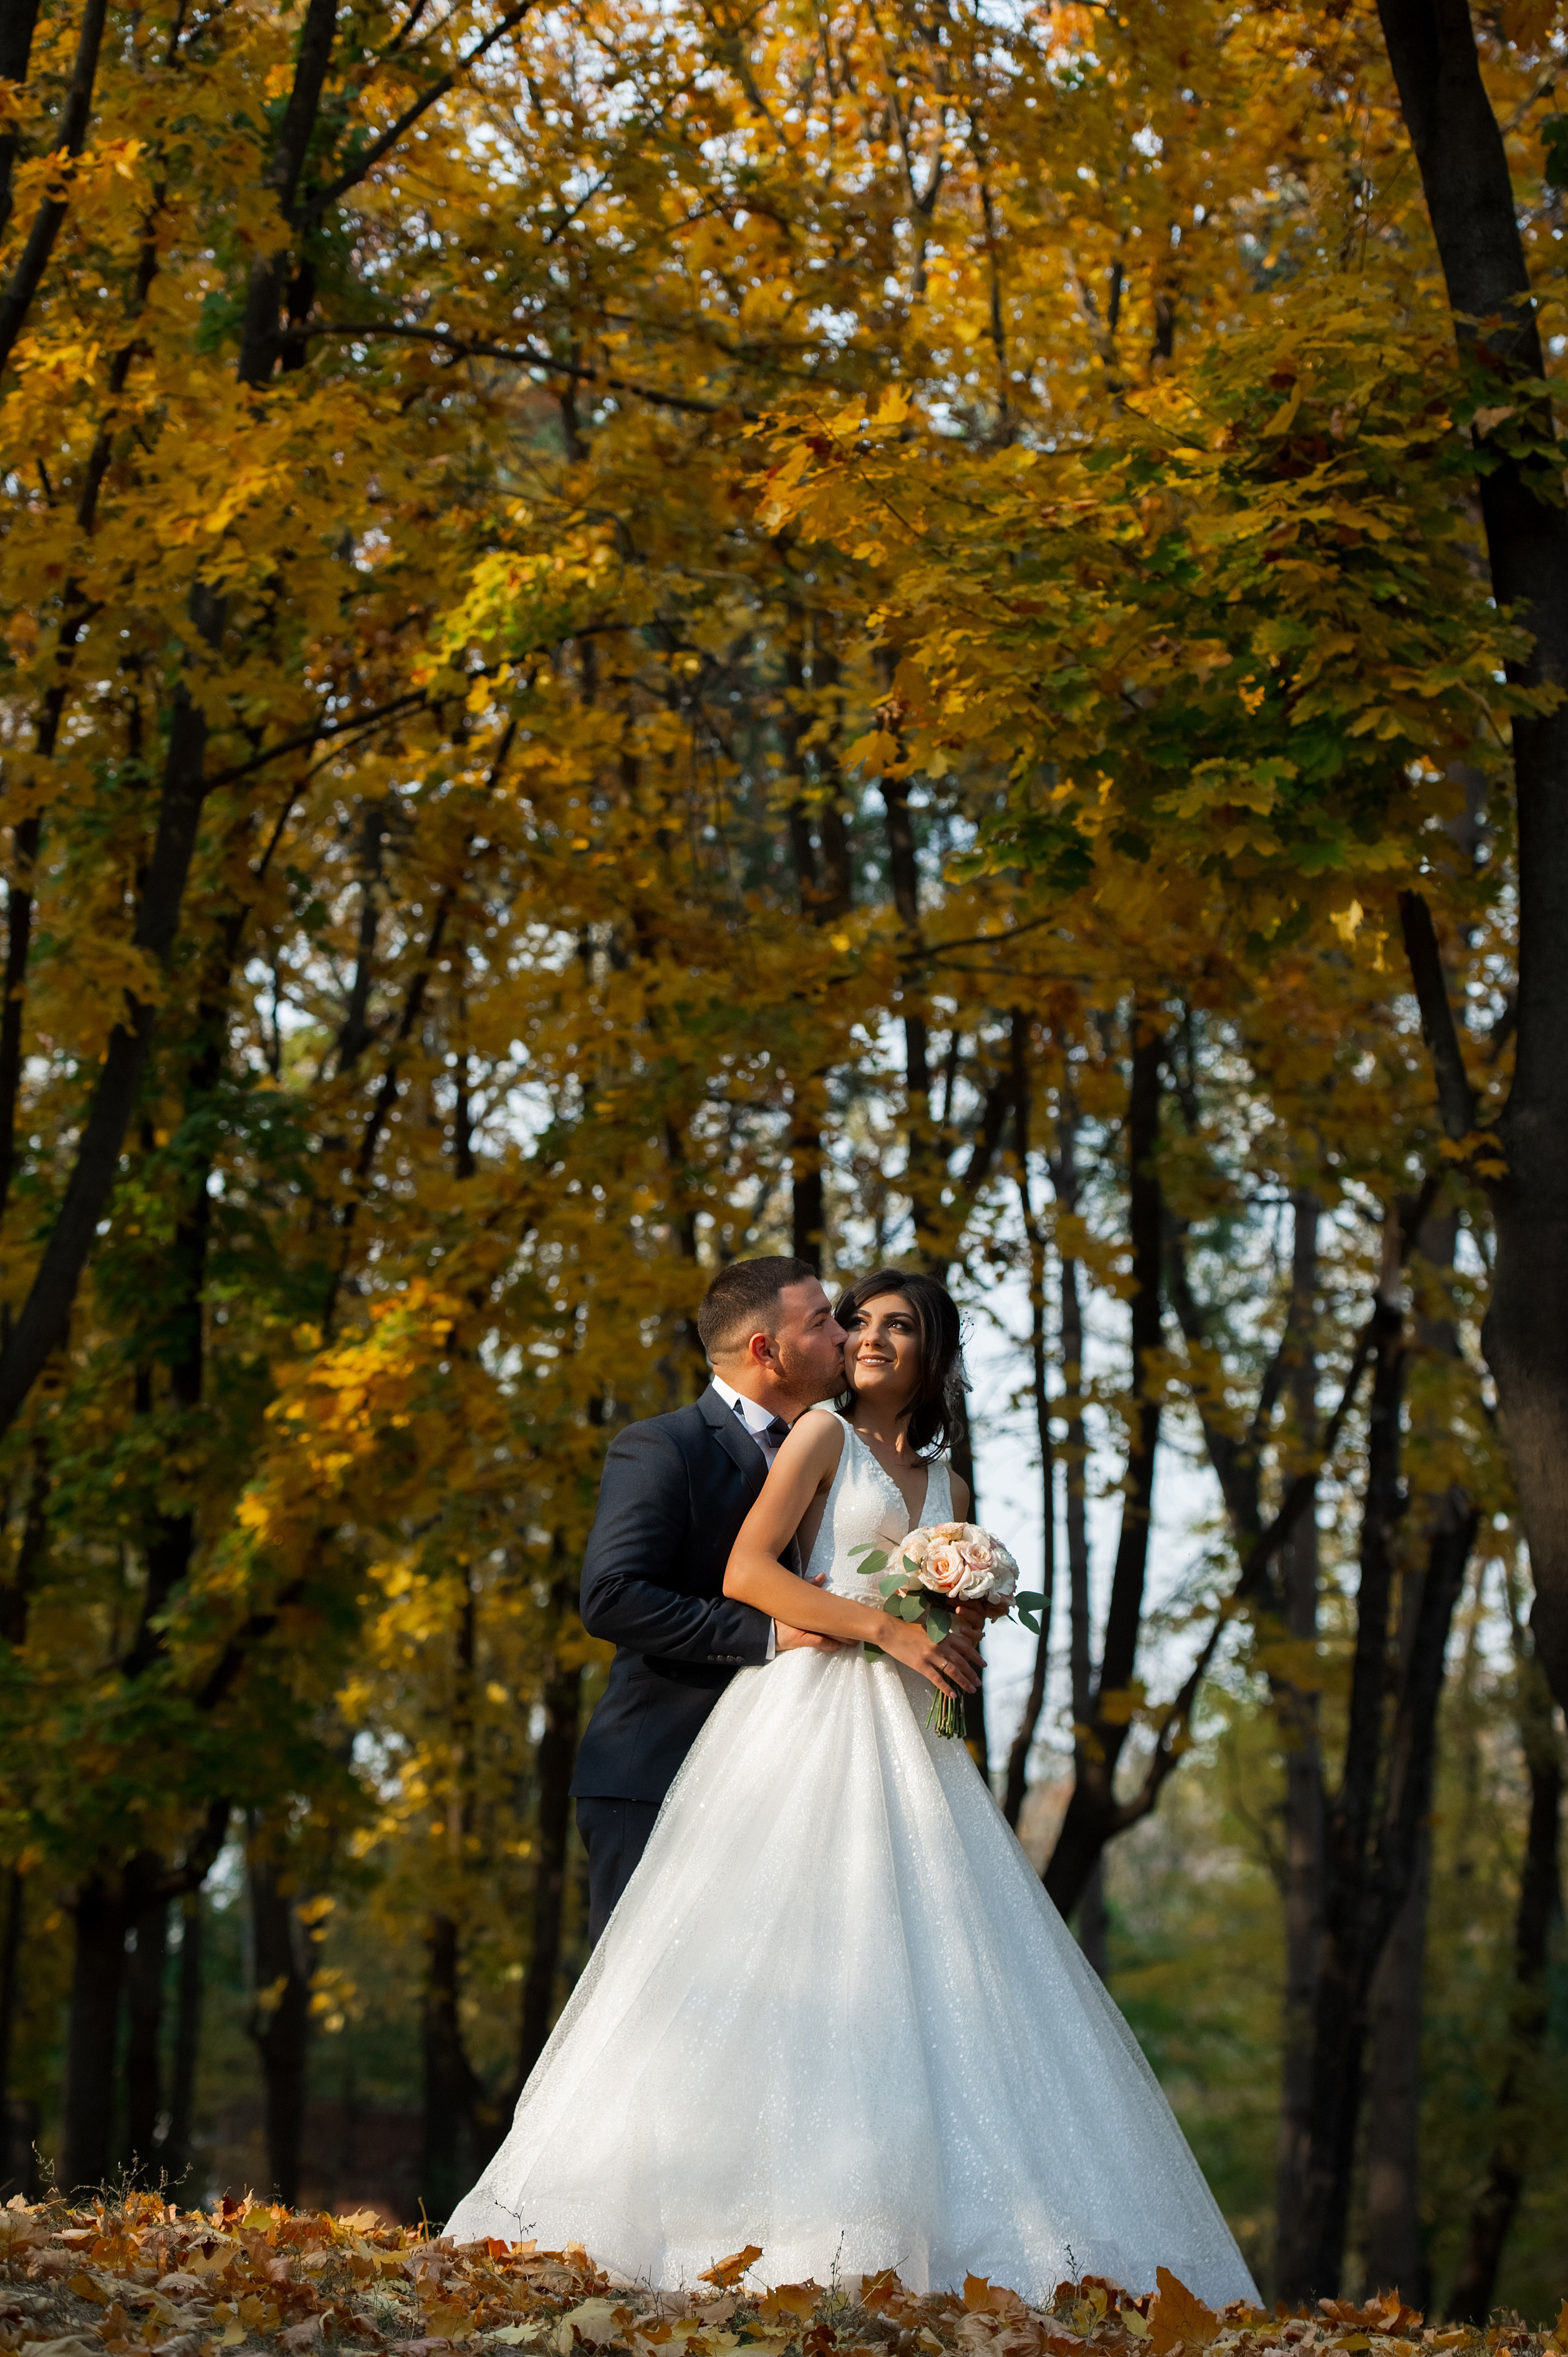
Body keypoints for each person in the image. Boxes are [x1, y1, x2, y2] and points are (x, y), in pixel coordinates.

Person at [450, 1267, 1257, 2310]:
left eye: (894, 1325)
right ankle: (671, 2216)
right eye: (853, 1321)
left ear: (934, 1352)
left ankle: (930, 2228)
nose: (865, 1337)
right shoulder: (819, 1435)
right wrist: (879, 1626)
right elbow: (747, 1573)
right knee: (746, 1956)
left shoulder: (948, 1489)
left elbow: (933, 1620)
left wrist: (959, 1628)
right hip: (807, 1711)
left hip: (909, 1738)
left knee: (920, 1960)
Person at [570, 1256, 878, 1947]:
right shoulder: (662, 1447)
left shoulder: (844, 1458)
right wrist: (771, 1631)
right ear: (766, 1351)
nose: (844, 1337)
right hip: (659, 1772)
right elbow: (613, 1597)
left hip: (791, 1779)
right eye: (821, 1322)